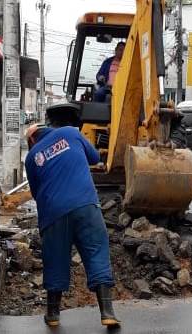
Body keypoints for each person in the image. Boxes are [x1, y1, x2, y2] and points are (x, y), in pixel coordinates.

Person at [24, 122, 120, 328]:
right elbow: (94, 158)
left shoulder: (32, 157)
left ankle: (53, 315)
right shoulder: (70, 133)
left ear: (32, 140)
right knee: (97, 252)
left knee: (55, 259)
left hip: (53, 214)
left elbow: (34, 192)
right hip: (85, 205)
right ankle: (107, 312)